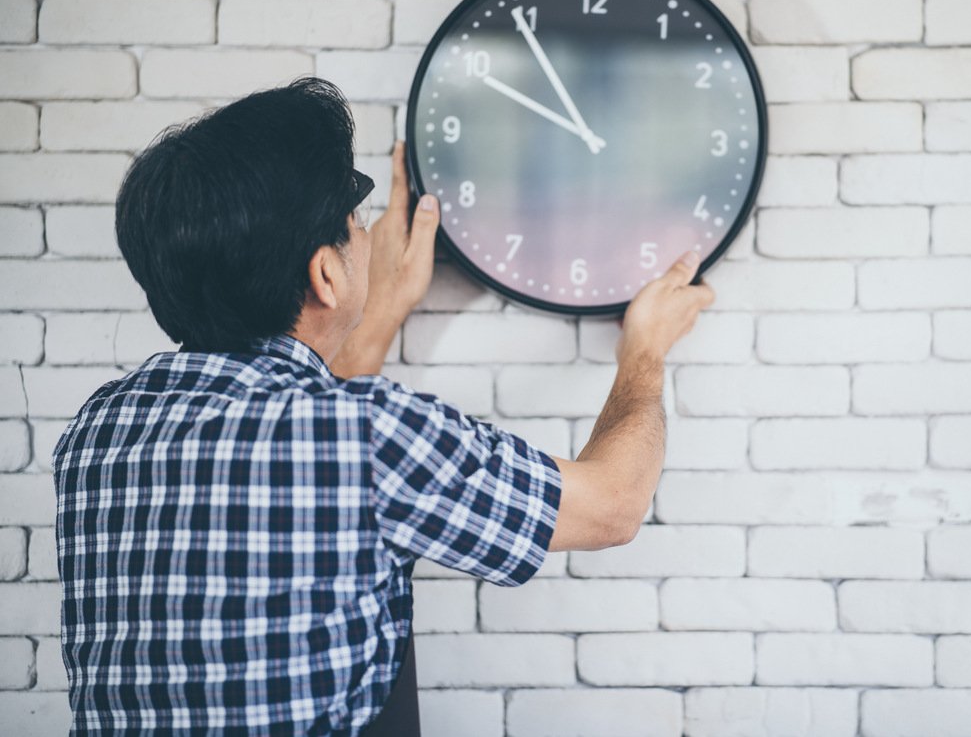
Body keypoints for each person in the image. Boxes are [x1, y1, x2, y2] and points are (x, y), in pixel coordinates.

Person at [52, 77, 714, 734]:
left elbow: (300, 451)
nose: (365, 238)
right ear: (326, 275)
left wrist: (381, 307)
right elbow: (612, 506)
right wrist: (644, 349)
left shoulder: (100, 431)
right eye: (355, 227)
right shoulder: (365, 437)